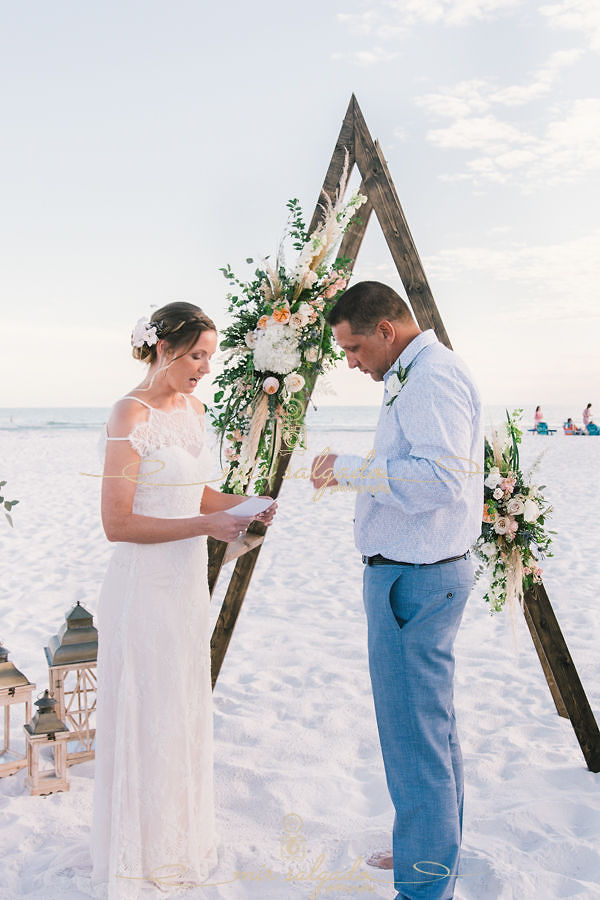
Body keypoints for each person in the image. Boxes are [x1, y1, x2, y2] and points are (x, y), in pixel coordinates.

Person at [91, 301, 276, 898]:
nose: (204, 368)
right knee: (145, 708)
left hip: (185, 589)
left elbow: (192, 492)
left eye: (209, 357)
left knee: (181, 706)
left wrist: (243, 506)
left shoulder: (195, 411)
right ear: (164, 348)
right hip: (142, 588)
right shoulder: (130, 412)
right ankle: (136, 851)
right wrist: (206, 528)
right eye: (196, 355)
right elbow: (118, 524)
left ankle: (176, 842)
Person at [310, 282, 482, 900]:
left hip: (416, 579)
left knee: (413, 736)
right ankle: (428, 850)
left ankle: (424, 884)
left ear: (387, 329)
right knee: (431, 728)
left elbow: (441, 481)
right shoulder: (415, 373)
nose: (351, 362)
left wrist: (350, 469)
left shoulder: (431, 376)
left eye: (354, 348)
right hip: (417, 574)